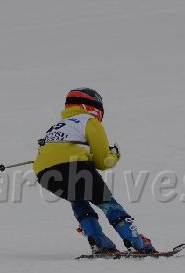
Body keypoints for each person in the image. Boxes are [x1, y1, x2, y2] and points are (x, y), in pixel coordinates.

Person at [33, 88, 156, 254]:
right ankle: (137, 242)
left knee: (78, 199)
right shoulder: (89, 121)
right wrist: (114, 154)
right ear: (93, 107)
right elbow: (102, 161)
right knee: (107, 203)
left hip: (44, 174)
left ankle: (98, 242)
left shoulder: (55, 127)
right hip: (75, 167)